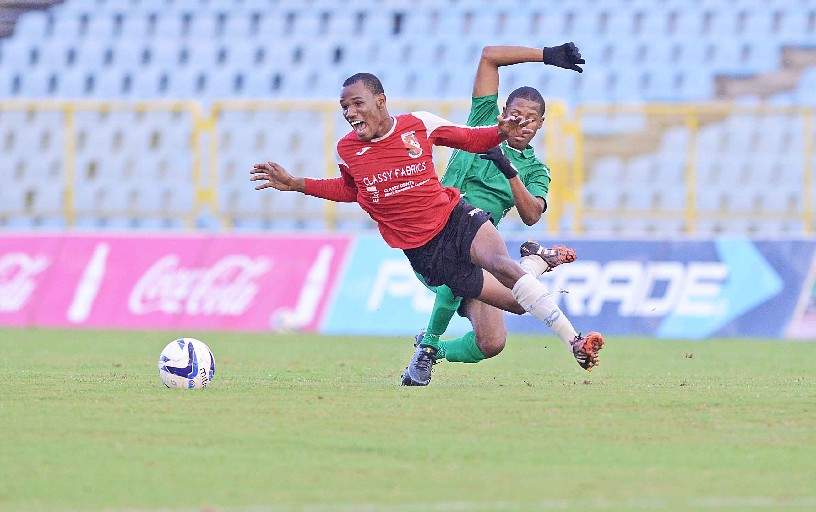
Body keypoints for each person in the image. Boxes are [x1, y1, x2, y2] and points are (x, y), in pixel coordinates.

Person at [250, 65, 603, 388]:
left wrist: (500, 132)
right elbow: (352, 190)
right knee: (513, 309)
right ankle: (534, 263)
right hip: (425, 250)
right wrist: (298, 183)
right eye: (345, 107)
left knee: (499, 263)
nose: (350, 113)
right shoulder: (348, 149)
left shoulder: (417, 125)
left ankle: (574, 340)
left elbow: (471, 139)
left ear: (380, 100)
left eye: (357, 103)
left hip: (456, 217)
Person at [406, 43, 599, 385]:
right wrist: (547, 55)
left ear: (541, 123)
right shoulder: (481, 121)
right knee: (457, 263)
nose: (522, 122)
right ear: (503, 112)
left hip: (479, 245)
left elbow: (531, 216)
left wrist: (508, 170)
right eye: (516, 114)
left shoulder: (536, 169)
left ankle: (434, 350)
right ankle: (427, 349)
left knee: (493, 341)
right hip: (436, 229)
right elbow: (488, 55)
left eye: (531, 118)